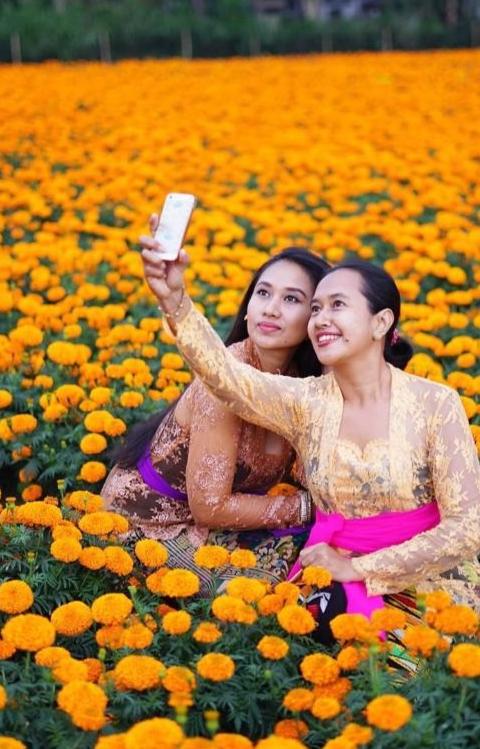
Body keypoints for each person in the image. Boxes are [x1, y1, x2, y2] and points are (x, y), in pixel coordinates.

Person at [141, 237, 480, 646]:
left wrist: (362, 569)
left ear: (381, 323)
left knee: (408, 672)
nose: (321, 318)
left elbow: (468, 529)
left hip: (431, 578)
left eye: (337, 305)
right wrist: (175, 300)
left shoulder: (435, 404)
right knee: (315, 641)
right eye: (317, 308)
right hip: (331, 568)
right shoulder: (307, 402)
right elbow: (227, 377)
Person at [102, 236, 330, 595]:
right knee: (262, 591)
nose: (271, 309)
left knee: (325, 551)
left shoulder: (299, 384)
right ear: (247, 306)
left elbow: (307, 472)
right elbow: (210, 507)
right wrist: (308, 508)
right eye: (263, 293)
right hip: (144, 523)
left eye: (291, 299)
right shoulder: (224, 381)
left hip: (211, 520)